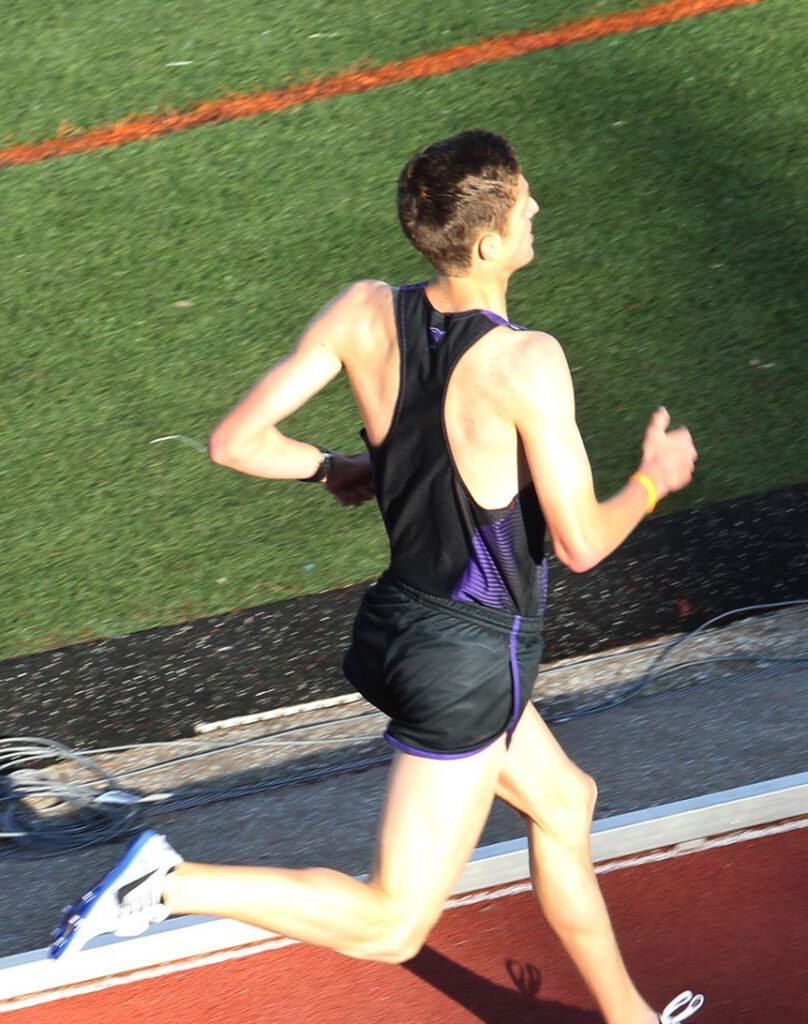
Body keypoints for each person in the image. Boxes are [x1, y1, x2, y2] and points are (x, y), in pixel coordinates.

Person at [47, 131, 702, 1024]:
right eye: (524, 204)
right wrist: (652, 481)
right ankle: (168, 884)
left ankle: (628, 1018)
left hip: (397, 626)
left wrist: (331, 467)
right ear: (487, 241)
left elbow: (235, 443)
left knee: (566, 800)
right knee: (392, 925)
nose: (537, 211)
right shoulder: (526, 362)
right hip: (469, 665)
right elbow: (582, 542)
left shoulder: (362, 311)